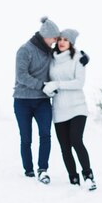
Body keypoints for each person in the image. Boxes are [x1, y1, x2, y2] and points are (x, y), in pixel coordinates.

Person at [43, 29, 97, 191]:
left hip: (77, 107)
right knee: (65, 147)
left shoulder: (78, 58)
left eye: (66, 39)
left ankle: (88, 176)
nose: (62, 42)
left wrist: (58, 84)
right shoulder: (51, 60)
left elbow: (79, 83)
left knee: (76, 140)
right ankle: (73, 179)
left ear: (71, 43)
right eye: (60, 39)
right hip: (59, 109)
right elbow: (49, 80)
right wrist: (49, 89)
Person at [12, 16, 61, 184]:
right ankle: (28, 170)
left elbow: (68, 54)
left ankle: (43, 169)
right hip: (22, 101)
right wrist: (42, 85)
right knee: (26, 138)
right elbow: (21, 76)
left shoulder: (51, 52)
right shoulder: (25, 50)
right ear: (45, 35)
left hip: (42, 102)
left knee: (45, 135)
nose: (55, 41)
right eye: (54, 38)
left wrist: (82, 57)